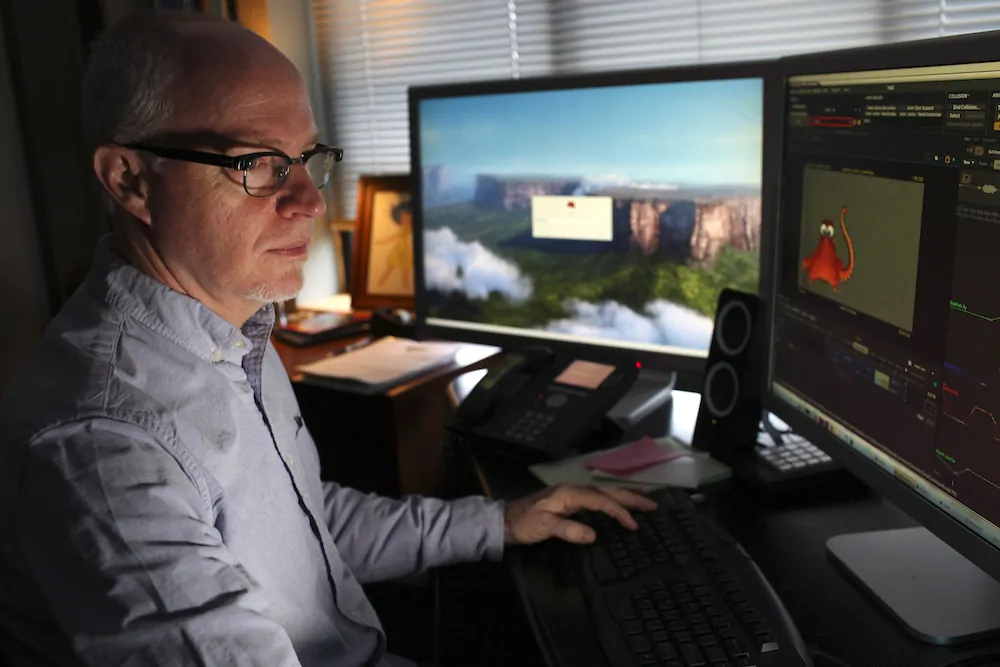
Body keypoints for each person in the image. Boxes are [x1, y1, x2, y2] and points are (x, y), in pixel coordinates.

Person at [0, 11, 655, 667]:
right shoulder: (104, 442)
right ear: (129, 179)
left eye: (307, 159)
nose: (309, 202)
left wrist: (499, 522)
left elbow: (307, 524)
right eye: (256, 162)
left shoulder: (233, 328)